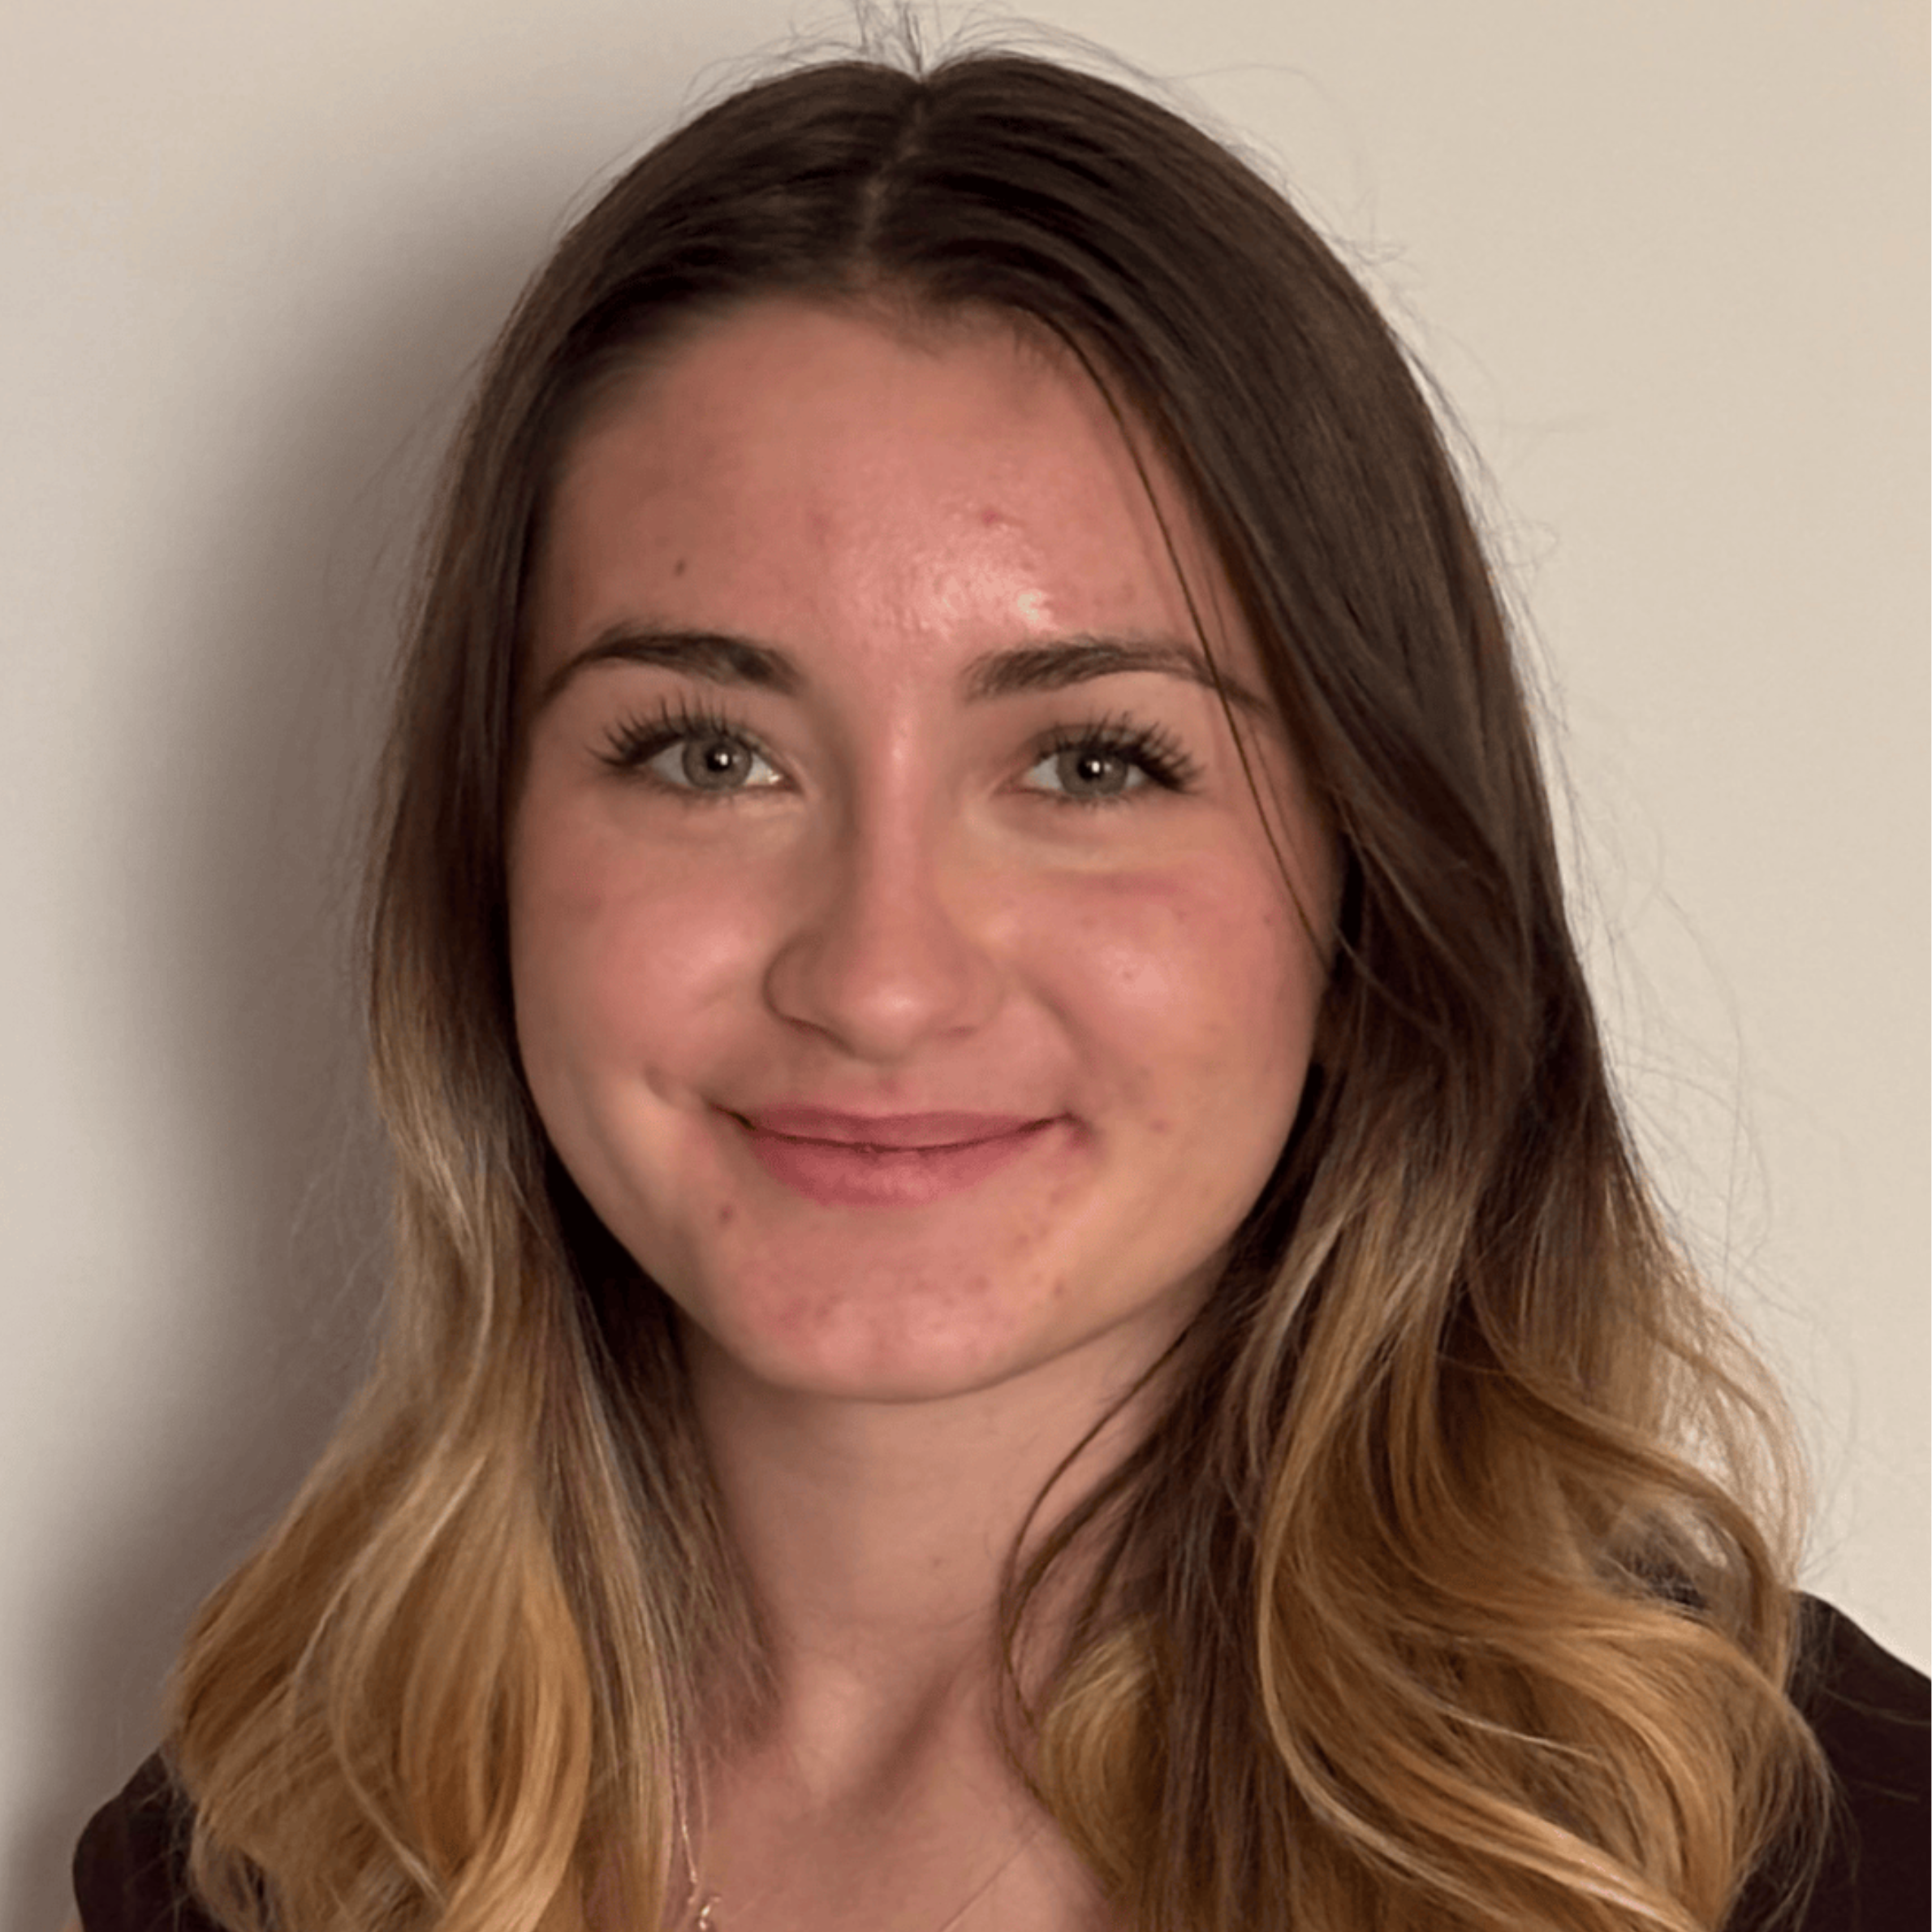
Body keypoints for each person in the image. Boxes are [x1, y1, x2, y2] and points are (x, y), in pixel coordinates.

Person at [67, 40, 1926, 1932]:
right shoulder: (257, 1857)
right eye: (709, 754)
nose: (878, 977)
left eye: (1091, 763)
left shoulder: (1809, 1848)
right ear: (488, 858)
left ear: (1376, 884)